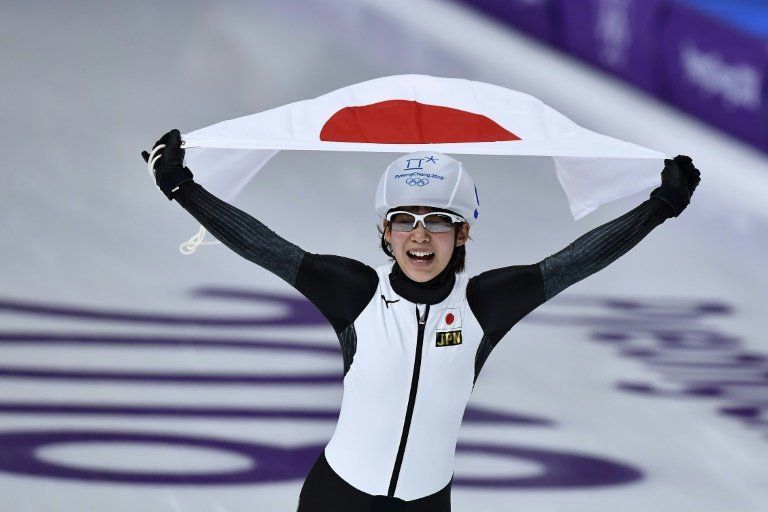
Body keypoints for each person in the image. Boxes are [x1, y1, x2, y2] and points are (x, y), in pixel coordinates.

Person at [142, 129, 700, 512]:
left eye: (438, 221)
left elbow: (579, 260)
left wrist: (659, 206)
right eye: (404, 220)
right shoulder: (353, 291)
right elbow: (262, 245)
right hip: (337, 501)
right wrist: (182, 187)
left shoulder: (486, 304)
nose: (419, 235)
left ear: (463, 233)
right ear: (384, 233)